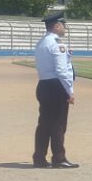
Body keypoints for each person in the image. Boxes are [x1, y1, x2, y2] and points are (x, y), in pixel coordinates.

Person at [33, 12, 77, 168]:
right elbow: (61, 71)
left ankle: (39, 158)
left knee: (44, 124)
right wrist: (70, 91)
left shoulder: (41, 43)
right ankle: (59, 158)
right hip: (56, 86)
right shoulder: (58, 44)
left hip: (44, 84)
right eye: (63, 25)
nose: (65, 28)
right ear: (57, 26)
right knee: (58, 124)